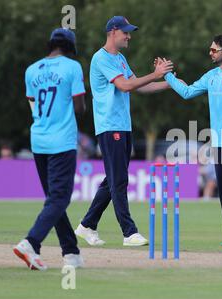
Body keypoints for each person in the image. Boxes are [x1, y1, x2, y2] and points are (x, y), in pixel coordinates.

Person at [74, 16, 174, 247]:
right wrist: (155, 74)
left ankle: (87, 225)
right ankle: (129, 232)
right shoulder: (101, 58)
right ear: (113, 32)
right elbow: (125, 86)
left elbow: (140, 85)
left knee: (112, 180)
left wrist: (169, 83)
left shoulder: (120, 58)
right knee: (119, 180)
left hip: (122, 126)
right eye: (126, 32)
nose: (129, 36)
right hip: (110, 126)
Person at [162, 34, 222, 246]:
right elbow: (187, 92)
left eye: (214, 50)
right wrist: (167, 76)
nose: (210, 53)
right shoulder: (211, 76)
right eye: (211, 49)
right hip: (219, 142)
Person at [13, 28, 86, 270]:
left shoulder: (31, 70)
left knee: (54, 200)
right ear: (70, 47)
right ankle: (31, 242)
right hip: (62, 141)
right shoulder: (72, 67)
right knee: (59, 198)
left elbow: (32, 102)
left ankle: (71, 253)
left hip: (39, 140)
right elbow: (79, 107)